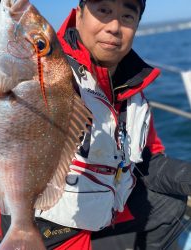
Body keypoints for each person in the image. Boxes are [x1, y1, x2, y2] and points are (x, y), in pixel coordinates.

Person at [31, 0, 191, 249]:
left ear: (137, 26)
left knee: (172, 204)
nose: (114, 26)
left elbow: (143, 162)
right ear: (78, 15)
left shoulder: (134, 92)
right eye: (103, 11)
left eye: (127, 16)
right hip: (46, 233)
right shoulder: (41, 69)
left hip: (103, 215)